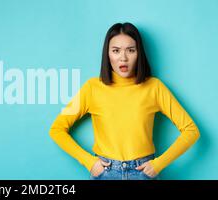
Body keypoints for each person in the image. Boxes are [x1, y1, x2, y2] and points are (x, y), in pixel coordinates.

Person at [49, 22, 200, 180]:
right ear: (107, 54)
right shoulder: (92, 88)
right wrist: (89, 162)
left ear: (138, 53)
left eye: (131, 50)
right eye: (116, 51)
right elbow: (57, 129)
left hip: (143, 172)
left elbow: (191, 130)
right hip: (105, 172)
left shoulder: (154, 87)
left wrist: (159, 164)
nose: (123, 58)